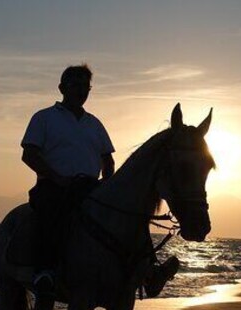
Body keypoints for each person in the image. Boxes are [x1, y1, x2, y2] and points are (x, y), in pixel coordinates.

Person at [20, 64, 178, 297]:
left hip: (90, 187)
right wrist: (58, 178)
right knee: (50, 213)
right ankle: (44, 272)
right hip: (53, 185)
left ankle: (149, 270)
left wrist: (110, 186)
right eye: (76, 85)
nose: (82, 91)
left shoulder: (94, 124)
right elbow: (29, 154)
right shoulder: (44, 118)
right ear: (62, 88)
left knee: (130, 215)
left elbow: (108, 160)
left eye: (86, 87)